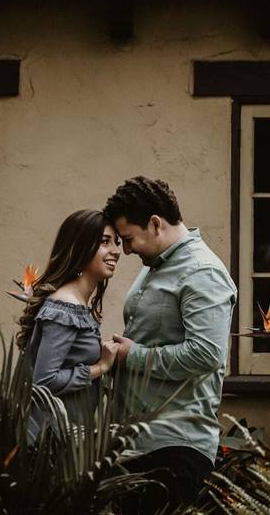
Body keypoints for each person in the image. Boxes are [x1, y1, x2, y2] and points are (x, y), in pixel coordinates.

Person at [103, 176, 237, 512]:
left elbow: (207, 354)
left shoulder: (202, 272)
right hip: (137, 444)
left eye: (129, 239)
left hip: (176, 448)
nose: (127, 250)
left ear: (155, 223)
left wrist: (132, 356)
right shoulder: (156, 264)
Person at [16, 209, 122, 440]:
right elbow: (44, 381)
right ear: (81, 247)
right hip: (49, 441)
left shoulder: (76, 305)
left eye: (117, 242)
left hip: (67, 440)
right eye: (105, 242)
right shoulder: (64, 306)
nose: (115, 250)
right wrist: (100, 368)